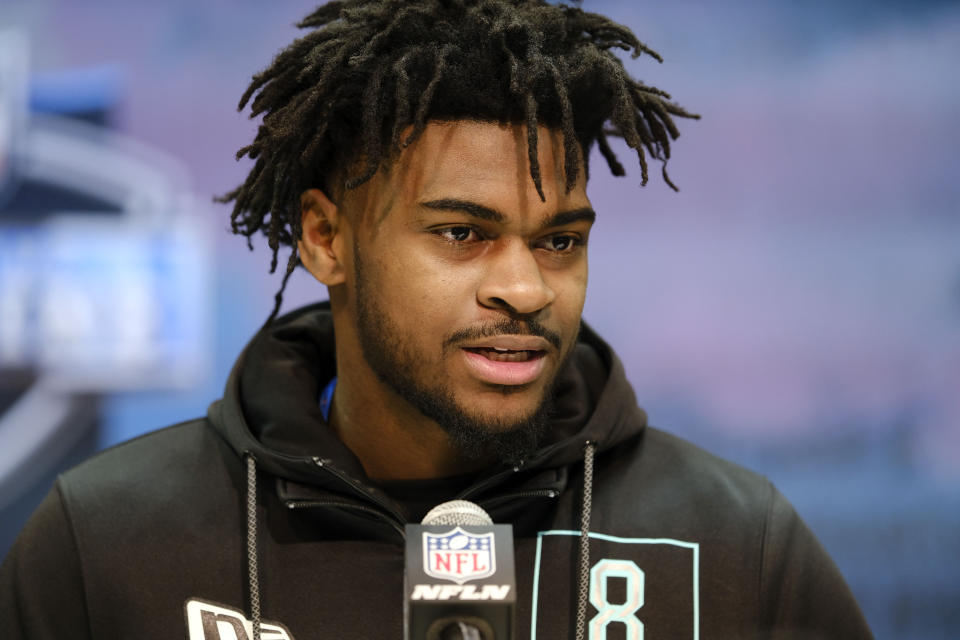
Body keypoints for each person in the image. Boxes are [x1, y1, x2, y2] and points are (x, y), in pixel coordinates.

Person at [1, 1, 873, 638]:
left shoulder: (731, 545)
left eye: (560, 241)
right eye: (464, 233)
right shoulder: (107, 542)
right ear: (325, 238)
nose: (526, 290)